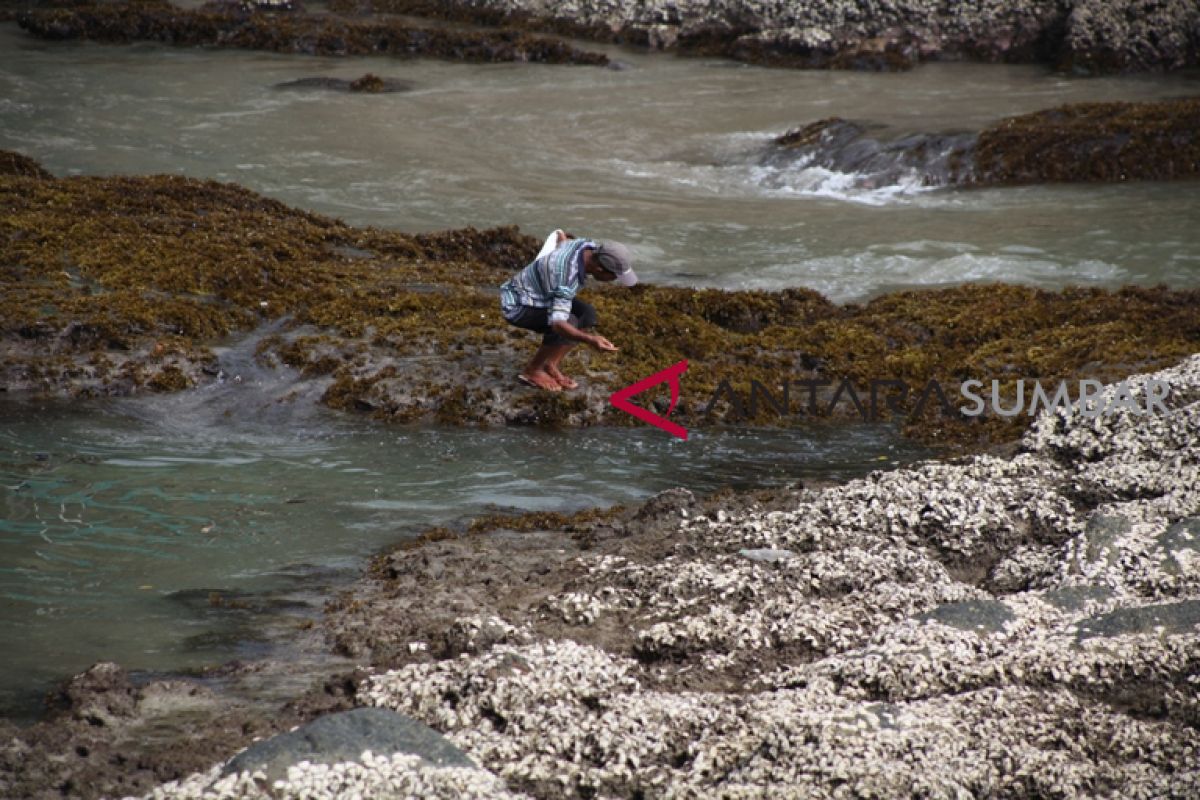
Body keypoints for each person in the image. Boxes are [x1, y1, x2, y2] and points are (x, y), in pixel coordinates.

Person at [500, 230, 637, 392]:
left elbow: (564, 239)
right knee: (569, 322)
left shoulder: (586, 246)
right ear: (600, 269)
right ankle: (533, 370)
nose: (615, 281)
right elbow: (558, 324)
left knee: (587, 314)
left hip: (541, 294)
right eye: (614, 276)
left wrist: (561, 239)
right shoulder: (565, 277)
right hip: (518, 304)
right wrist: (590, 339)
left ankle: (551, 364)